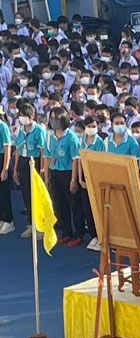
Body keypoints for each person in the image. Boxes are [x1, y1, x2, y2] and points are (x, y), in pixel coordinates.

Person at [43, 107, 80, 246]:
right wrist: (46, 177)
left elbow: (76, 159)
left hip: (68, 173)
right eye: (52, 118)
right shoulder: (49, 135)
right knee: (59, 203)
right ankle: (66, 232)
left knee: (74, 204)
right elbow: (46, 156)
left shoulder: (71, 137)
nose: (54, 121)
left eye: (57, 118)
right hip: (55, 172)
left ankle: (78, 233)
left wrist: (73, 179)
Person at [13, 101, 46, 238]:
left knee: (36, 194)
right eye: (20, 115)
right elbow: (18, 150)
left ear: (32, 116)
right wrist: (15, 169)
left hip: (35, 161)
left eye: (24, 115)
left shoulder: (39, 130)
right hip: (23, 162)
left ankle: (40, 225)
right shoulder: (19, 130)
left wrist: (43, 168)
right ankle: (30, 223)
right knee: (26, 194)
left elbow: (43, 151)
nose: (22, 118)